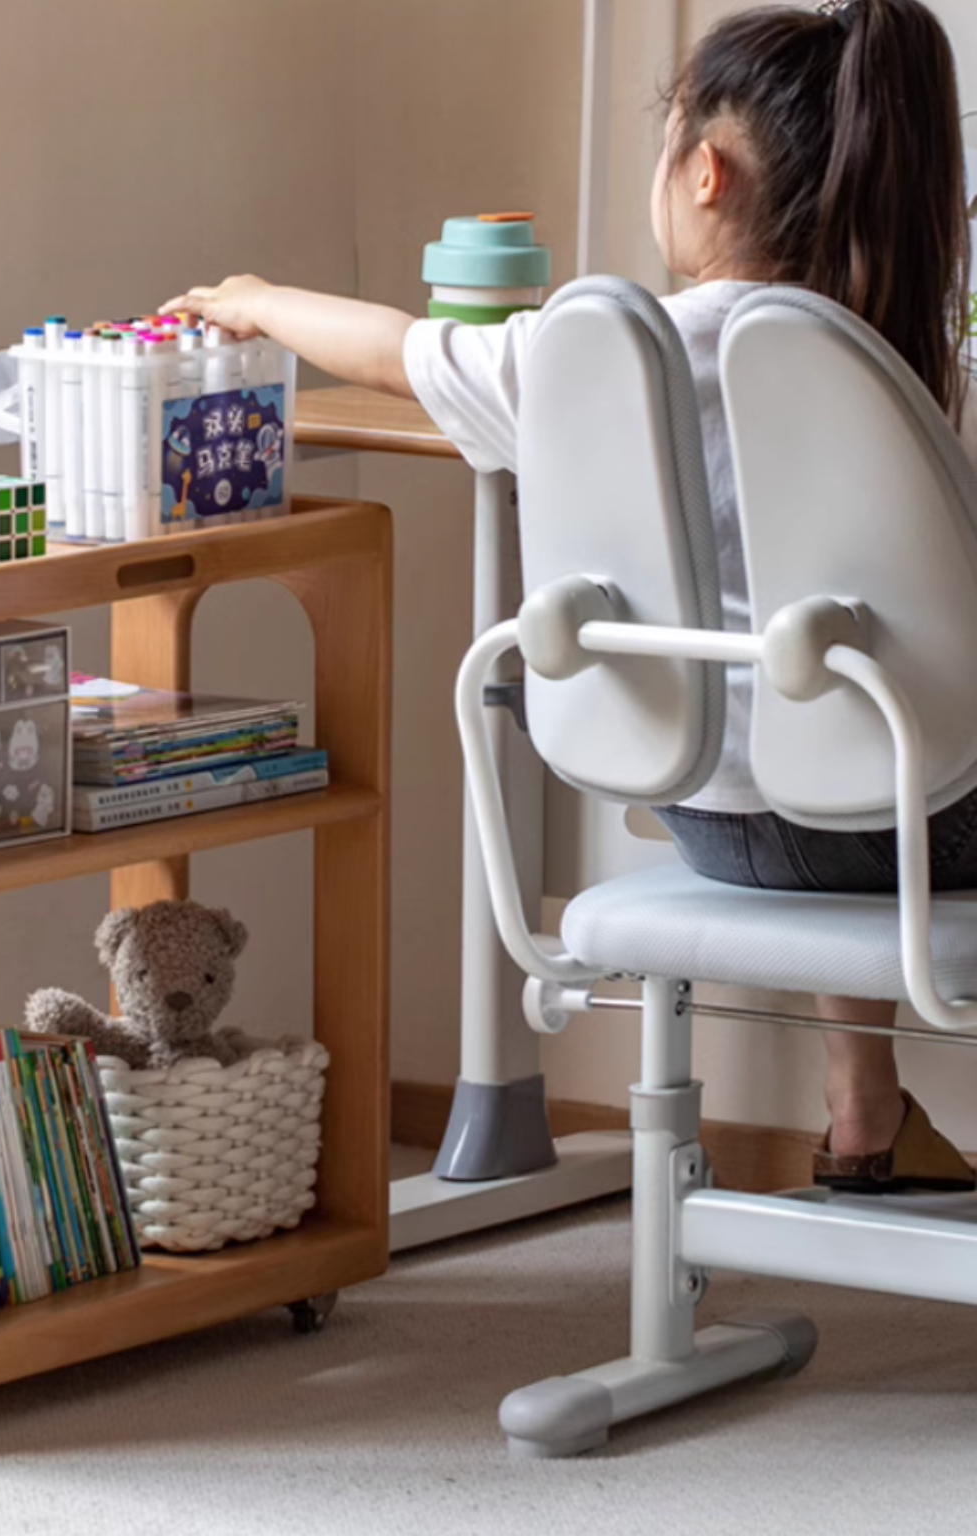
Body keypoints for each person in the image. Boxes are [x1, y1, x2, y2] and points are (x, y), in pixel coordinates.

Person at [163, 0, 977, 1193]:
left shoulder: (593, 355)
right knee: (863, 712)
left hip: (708, 811)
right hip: (915, 827)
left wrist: (259, 299)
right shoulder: (905, 366)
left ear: (703, 172)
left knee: (816, 715)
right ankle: (863, 1107)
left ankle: (864, 1110)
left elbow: (400, 348)